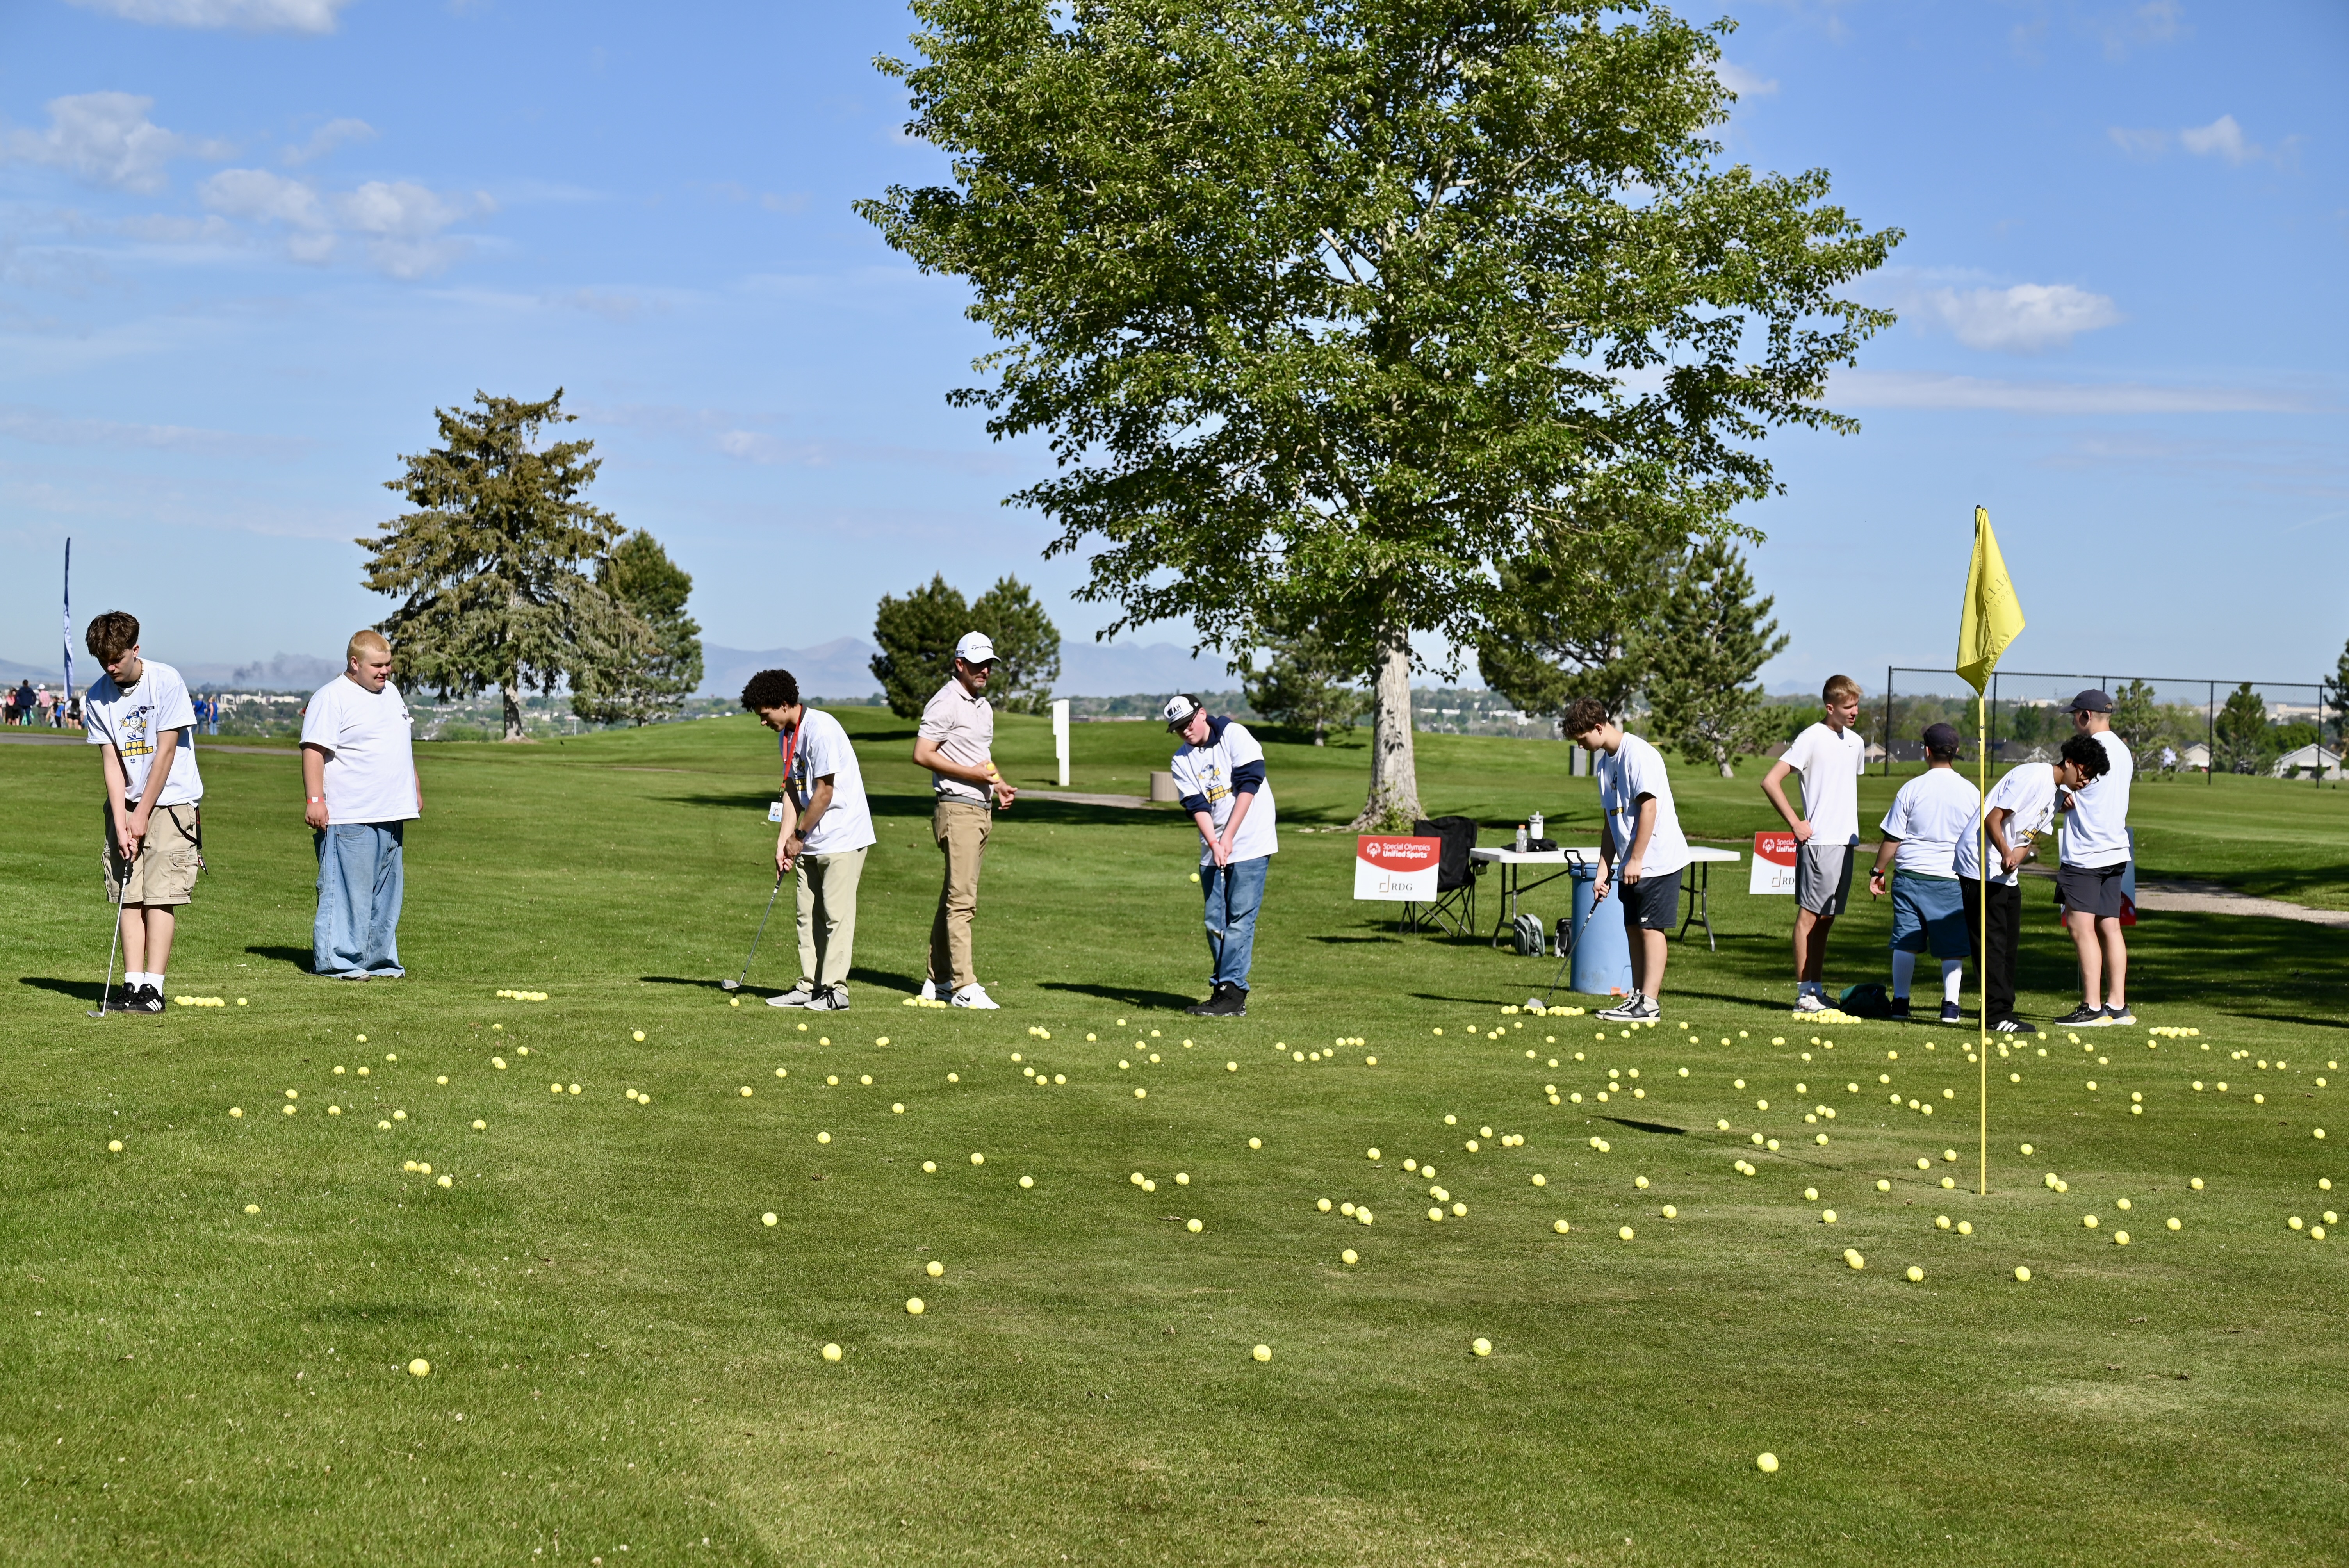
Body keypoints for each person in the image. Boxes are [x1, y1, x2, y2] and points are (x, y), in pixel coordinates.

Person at [81, 610, 204, 1014]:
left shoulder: (166, 681)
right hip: (127, 804)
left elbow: (166, 752)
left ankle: (154, 988)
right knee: (128, 896)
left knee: (159, 895)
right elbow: (111, 762)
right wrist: (121, 820)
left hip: (171, 802)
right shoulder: (97, 696)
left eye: (117, 658)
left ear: (136, 649)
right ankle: (132, 985)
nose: (111, 667)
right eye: (103, 661)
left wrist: (143, 812)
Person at [742, 668, 875, 1012]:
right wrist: (783, 840)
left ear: (784, 704)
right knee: (807, 914)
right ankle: (809, 985)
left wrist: (798, 836)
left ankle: (836, 991)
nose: (763, 722)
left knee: (836, 916)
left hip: (842, 835)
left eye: (765, 714)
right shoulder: (786, 736)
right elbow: (791, 788)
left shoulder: (822, 730)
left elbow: (824, 793)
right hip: (810, 839)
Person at [1955, 734, 2107, 1033]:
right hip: (1978, 865)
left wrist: (2015, 859)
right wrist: (2005, 852)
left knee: (2009, 944)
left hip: (2002, 872)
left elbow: (2028, 837)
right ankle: (1996, 1016)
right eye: (2086, 774)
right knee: (1992, 944)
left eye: (2093, 778)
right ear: (2071, 763)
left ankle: (2002, 1011)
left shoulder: (2053, 796)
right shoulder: (2032, 778)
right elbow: (1993, 818)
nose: (2087, 782)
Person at [300, 631, 422, 979]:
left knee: (385, 894)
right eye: (378, 666)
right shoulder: (332, 697)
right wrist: (315, 800)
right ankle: (336, 961)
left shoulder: (392, 693)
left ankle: (378, 961)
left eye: (389, 665)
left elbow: (400, 743)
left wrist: (414, 785)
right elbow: (313, 750)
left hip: (391, 810)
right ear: (355, 663)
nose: (386, 672)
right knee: (346, 893)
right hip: (349, 813)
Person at [1565, 697, 1691, 1024]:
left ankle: (1650, 1003)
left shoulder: (1639, 755)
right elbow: (1611, 822)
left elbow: (1649, 808)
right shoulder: (1604, 766)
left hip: (1658, 857)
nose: (1581, 747)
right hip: (1632, 862)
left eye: (1582, 739)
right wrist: (1603, 872)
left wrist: (1636, 860)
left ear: (1598, 727)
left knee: (1651, 929)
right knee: (1633, 928)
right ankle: (1637, 997)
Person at [911, 633, 1016, 1009]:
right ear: (960, 665)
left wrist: (999, 783)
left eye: (989, 664)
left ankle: (937, 980)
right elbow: (922, 754)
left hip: (979, 808)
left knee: (953, 898)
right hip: (957, 809)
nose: (985, 670)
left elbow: (980, 756)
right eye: (977, 664)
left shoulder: (981, 706)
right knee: (962, 902)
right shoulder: (945, 702)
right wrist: (972, 776)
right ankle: (963, 986)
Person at [1164, 694, 1278, 1017]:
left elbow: (1249, 784)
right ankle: (1225, 989)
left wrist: (1228, 837)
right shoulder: (1180, 760)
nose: (1184, 731)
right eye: (1177, 728)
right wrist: (1215, 843)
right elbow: (1196, 806)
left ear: (1202, 714)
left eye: (1187, 723)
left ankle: (1231, 991)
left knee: (1240, 918)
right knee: (1215, 921)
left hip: (1252, 841)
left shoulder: (1234, 735)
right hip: (1213, 846)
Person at [1761, 675, 1867, 1013]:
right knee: (1810, 916)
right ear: (1830, 707)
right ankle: (1804, 993)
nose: (1855, 712)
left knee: (1827, 918)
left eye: (1857, 706)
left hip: (1846, 841)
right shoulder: (1811, 737)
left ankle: (1816, 991)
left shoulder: (1857, 742)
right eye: (1849, 707)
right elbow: (1771, 780)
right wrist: (1796, 823)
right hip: (1819, 843)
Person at [1865, 722, 1978, 1022]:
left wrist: (1878, 870)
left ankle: (1901, 1003)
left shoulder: (1911, 788)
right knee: (1952, 947)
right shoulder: (1971, 792)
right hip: (1952, 878)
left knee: (1906, 940)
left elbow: (1893, 838)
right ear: (1955, 753)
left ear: (1926, 751)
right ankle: (1950, 1008)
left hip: (1911, 875)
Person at [2056, 688, 2135, 1026]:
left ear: (2086, 716)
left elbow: (2065, 782)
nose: (2074, 721)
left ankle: (2091, 1007)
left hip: (2087, 853)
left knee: (2080, 926)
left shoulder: (2089, 751)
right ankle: (2117, 1006)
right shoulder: (2124, 750)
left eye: (2076, 716)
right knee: (2110, 927)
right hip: (2116, 850)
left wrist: (2062, 794)